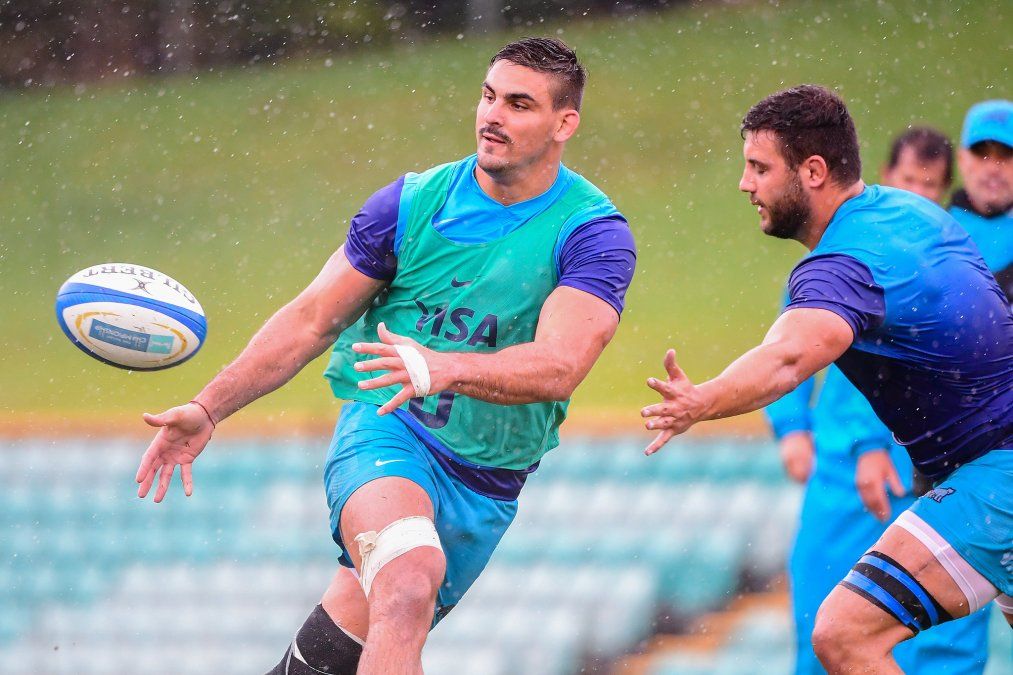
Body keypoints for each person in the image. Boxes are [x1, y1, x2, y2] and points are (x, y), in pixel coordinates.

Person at [133, 37, 636, 675]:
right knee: (408, 579)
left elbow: (561, 365)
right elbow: (313, 319)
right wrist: (208, 408)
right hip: (388, 428)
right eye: (487, 97)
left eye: (518, 104)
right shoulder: (410, 203)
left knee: (336, 655)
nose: (492, 115)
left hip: (489, 481)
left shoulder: (592, 233)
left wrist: (444, 365)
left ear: (565, 124)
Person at [641, 84, 1011, 672]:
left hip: (995, 476)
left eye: (759, 168)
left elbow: (788, 358)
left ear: (812, 171)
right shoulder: (908, 210)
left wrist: (701, 400)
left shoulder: (842, 268)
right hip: (981, 472)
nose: (745, 184)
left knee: (843, 635)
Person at [766, 126, 990, 674]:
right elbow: (782, 347)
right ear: (887, 177)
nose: (916, 191)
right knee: (820, 610)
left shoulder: (945, 258)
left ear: (942, 191)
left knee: (930, 625)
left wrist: (876, 442)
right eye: (908, 179)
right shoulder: (835, 254)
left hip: (919, 464)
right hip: (836, 467)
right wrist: (791, 427)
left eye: (929, 184)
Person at [949, 100, 1013, 303]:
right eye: (981, 153)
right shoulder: (932, 233)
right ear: (961, 160)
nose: (993, 168)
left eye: (1005, 155)